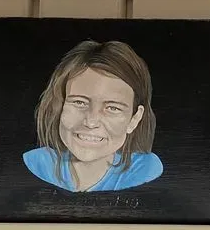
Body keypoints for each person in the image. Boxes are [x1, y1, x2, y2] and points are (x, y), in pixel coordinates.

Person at [23, 41, 163, 193]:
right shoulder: (36, 164)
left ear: (134, 119)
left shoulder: (145, 170)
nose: (91, 122)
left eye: (112, 108)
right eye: (79, 102)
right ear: (59, 106)